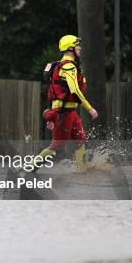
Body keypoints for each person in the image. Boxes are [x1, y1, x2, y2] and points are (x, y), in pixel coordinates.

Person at [34, 35, 98, 172]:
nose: (79, 47)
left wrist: (51, 112)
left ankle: (81, 170)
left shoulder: (64, 65)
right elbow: (75, 91)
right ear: (70, 48)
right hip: (63, 114)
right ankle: (29, 168)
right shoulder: (68, 67)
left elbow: (54, 91)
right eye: (77, 45)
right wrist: (90, 109)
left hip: (70, 113)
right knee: (57, 146)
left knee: (80, 141)